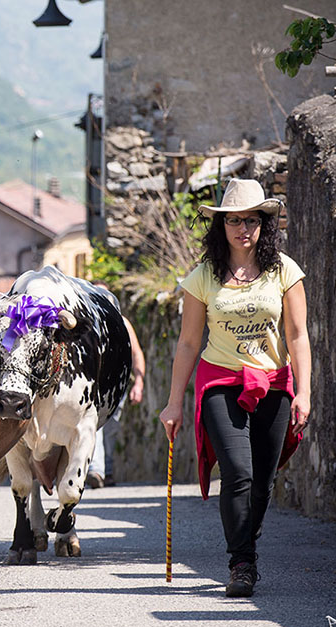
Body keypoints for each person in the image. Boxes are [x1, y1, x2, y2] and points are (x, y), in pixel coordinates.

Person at [159, 178, 311, 598]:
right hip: (221, 381)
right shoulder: (202, 277)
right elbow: (189, 343)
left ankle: (246, 542)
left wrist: (305, 392)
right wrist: (174, 404)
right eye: (233, 220)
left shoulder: (285, 270)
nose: (243, 228)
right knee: (238, 473)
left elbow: (297, 335)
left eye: (251, 219)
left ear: (265, 223)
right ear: (221, 225)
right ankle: (241, 563)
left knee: (262, 480)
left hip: (274, 384)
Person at [86, 285, 145, 488]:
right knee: (94, 425)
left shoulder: (123, 323)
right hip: (93, 385)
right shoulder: (86, 322)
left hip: (116, 385)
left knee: (112, 429)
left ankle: (107, 470)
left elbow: (136, 353)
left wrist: (138, 381)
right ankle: (96, 470)